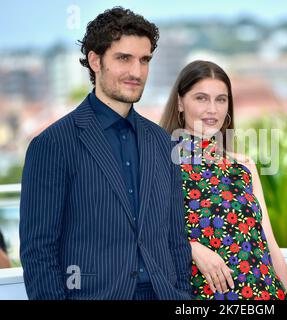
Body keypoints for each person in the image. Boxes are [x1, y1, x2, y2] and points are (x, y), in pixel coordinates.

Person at [19, 7, 191, 300]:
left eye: (144, 60)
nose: (136, 72)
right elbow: (38, 250)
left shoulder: (165, 144)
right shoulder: (52, 144)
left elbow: (175, 239)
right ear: (95, 60)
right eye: (124, 58)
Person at [160, 60, 287, 300]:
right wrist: (191, 248)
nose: (212, 109)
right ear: (180, 102)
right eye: (201, 98)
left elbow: (270, 246)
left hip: (266, 294)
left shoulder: (244, 166)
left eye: (221, 99)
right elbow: (146, 235)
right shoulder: (161, 162)